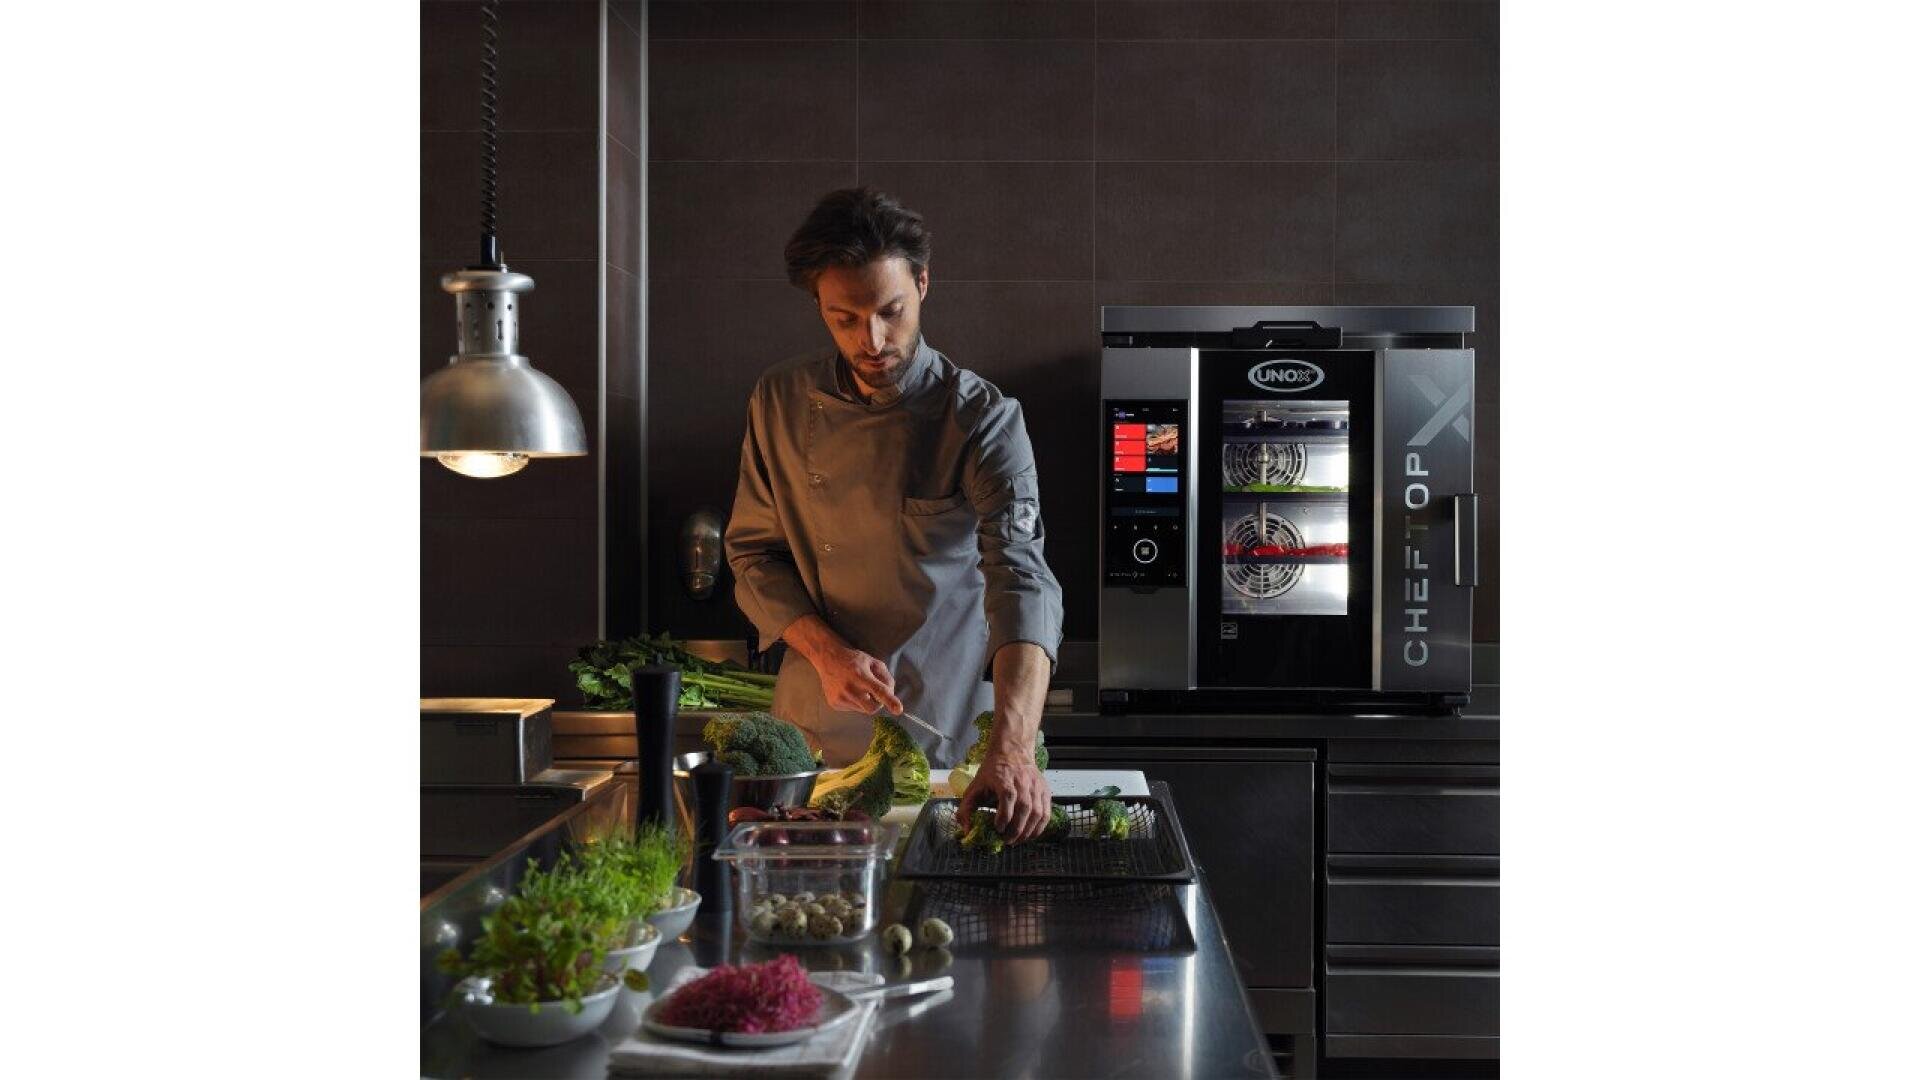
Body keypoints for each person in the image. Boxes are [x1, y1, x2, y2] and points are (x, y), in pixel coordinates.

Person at [723, 187, 1064, 842]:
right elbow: (752, 554)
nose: (872, 340)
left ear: (923, 284)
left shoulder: (982, 420)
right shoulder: (779, 400)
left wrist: (1014, 750)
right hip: (812, 736)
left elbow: (1023, 580)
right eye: (844, 318)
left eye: (890, 312)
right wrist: (825, 653)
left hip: (944, 737)